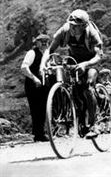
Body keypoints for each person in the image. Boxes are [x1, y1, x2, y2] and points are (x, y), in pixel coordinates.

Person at [41, 9, 103, 139]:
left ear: (84, 26)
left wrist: (85, 64)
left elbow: (99, 56)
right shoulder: (64, 31)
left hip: (91, 63)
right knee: (75, 94)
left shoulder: (92, 34)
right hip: (74, 62)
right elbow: (50, 49)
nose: (73, 28)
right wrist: (43, 65)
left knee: (88, 87)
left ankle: (93, 125)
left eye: (76, 26)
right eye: (71, 25)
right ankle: (81, 125)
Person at [21, 33, 51, 142]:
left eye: (46, 41)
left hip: (44, 83)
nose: (44, 43)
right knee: (35, 108)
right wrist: (34, 78)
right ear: (37, 43)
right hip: (33, 84)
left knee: (44, 108)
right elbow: (24, 67)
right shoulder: (32, 53)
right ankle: (38, 134)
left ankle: (41, 133)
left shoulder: (47, 53)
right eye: (41, 41)